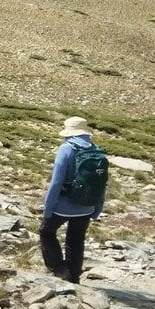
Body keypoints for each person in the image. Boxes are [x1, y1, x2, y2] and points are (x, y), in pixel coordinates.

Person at [39, 116, 105, 283]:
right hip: (87, 206)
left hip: (63, 205)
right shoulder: (96, 150)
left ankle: (59, 268)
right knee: (76, 239)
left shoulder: (66, 149)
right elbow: (102, 183)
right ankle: (74, 277)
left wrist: (47, 208)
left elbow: (56, 182)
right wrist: (97, 208)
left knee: (46, 232)